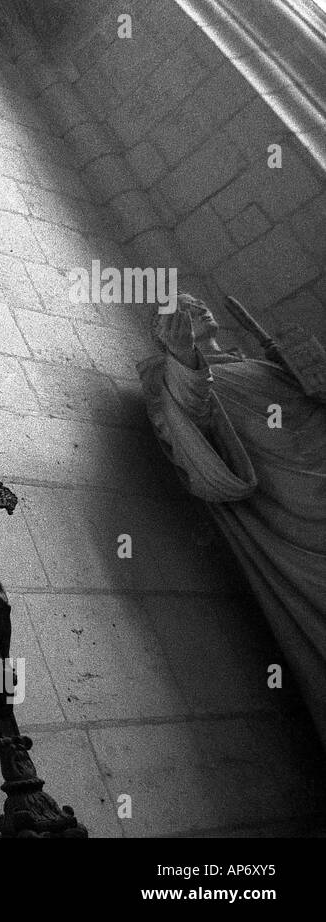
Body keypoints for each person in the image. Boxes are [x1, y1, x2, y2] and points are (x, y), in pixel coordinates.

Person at [138, 293, 326, 743]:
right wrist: (183, 358)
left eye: (199, 302)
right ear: (162, 331)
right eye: (181, 307)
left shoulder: (267, 367)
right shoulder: (181, 378)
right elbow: (190, 418)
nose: (197, 307)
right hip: (299, 522)